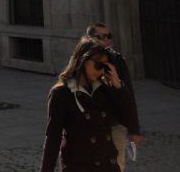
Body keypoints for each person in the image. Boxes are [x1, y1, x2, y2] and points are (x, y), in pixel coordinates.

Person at [40, 38, 131, 172]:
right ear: (82, 60)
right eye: (98, 65)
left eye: (105, 67)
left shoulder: (104, 90)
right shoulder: (61, 94)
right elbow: (53, 139)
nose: (101, 72)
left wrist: (118, 86)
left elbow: (126, 117)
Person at [86, 22, 143, 170]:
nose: (106, 40)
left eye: (109, 36)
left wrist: (134, 130)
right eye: (101, 36)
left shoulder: (117, 61)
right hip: (89, 126)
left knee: (116, 166)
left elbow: (129, 96)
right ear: (89, 38)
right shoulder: (81, 62)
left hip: (115, 124)